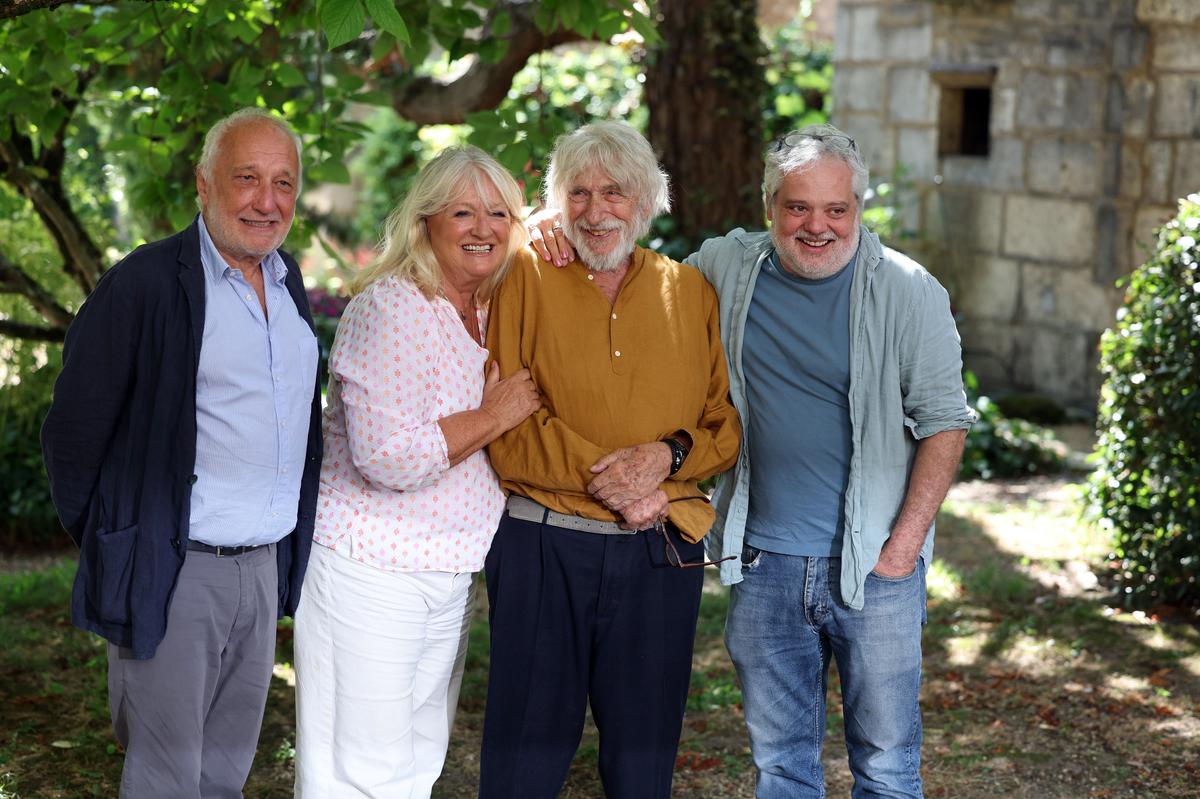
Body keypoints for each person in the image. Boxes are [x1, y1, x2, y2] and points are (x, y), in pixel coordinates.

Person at [528, 123, 976, 798]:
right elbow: (618, 243)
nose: (816, 225)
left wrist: (904, 546)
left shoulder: (909, 292)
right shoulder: (725, 268)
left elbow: (945, 422)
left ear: (858, 209)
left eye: (836, 209)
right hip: (763, 565)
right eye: (798, 207)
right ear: (770, 207)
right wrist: (549, 223)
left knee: (886, 766)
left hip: (876, 566)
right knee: (782, 767)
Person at [41, 108, 322, 798]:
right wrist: (122, 539)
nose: (266, 200)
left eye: (283, 182)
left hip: (260, 572)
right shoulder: (144, 283)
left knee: (224, 772)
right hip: (174, 568)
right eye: (247, 178)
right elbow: (72, 435)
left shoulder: (288, 288)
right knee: (166, 778)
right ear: (204, 184)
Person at [479, 121, 741, 799]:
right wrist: (619, 483)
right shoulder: (524, 277)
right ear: (557, 203)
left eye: (615, 192)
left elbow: (723, 426)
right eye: (580, 193)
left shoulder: (689, 291)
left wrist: (666, 455)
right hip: (543, 546)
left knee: (643, 766)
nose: (597, 211)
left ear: (648, 199)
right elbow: (509, 426)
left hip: (659, 556)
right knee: (522, 766)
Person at [291, 146, 539, 799]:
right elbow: (387, 456)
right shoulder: (393, 308)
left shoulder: (489, 308)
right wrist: (493, 415)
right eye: (462, 211)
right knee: (360, 765)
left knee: (416, 758)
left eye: (497, 213)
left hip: (447, 569)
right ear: (425, 220)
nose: (482, 227)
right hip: (370, 571)